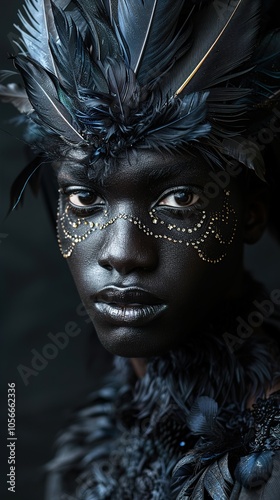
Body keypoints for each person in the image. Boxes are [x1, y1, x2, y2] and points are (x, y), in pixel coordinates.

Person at [1, 0, 280, 498]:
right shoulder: (93, 444)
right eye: (85, 198)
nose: (123, 254)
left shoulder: (268, 464)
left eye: (179, 199)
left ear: (251, 215)